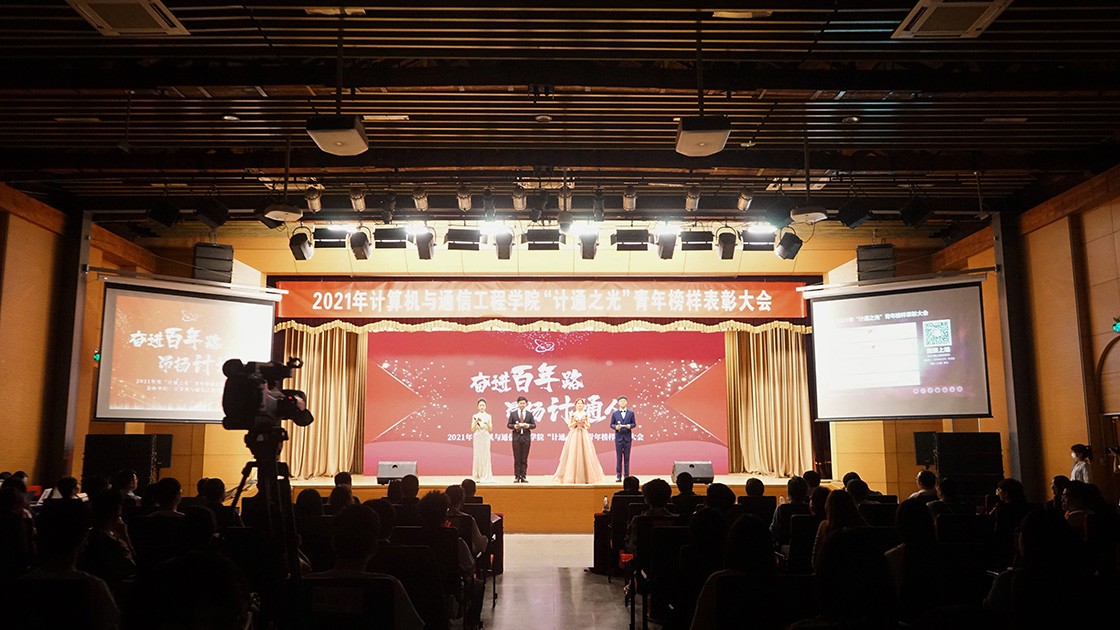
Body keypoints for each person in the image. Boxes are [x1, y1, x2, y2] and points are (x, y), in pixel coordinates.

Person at [552, 398, 605, 484]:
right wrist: (576, 423)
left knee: (586, 453)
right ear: (575, 405)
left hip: (583, 434)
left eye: (581, 403)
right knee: (573, 453)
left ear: (583, 405)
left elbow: (588, 426)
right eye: (578, 403)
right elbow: (569, 425)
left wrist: (583, 423)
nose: (580, 405)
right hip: (575, 434)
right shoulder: (573, 414)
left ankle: (586, 477)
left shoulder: (586, 414)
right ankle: (571, 477)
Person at [507, 395, 535, 483]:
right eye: (520, 403)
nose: (522, 405)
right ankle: (517, 476)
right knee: (517, 458)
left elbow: (534, 425)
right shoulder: (513, 414)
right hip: (516, 438)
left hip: (526, 438)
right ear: (517, 404)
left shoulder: (529, 414)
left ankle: (523, 476)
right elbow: (509, 425)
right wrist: (514, 426)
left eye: (523, 403)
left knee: (524, 458)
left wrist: (528, 426)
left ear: (526, 404)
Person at [610, 395, 637, 482]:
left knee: (627, 458)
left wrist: (630, 426)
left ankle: (626, 476)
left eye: (624, 401)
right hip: (618, 438)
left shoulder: (631, 413)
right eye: (621, 401)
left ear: (626, 402)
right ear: (618, 403)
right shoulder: (615, 413)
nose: (622, 402)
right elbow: (611, 424)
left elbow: (634, 423)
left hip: (627, 438)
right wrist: (616, 427)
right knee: (619, 458)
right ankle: (618, 476)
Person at [470, 397, 494, 483]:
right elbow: (472, 429)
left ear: (486, 406)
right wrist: (475, 422)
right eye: (480, 405)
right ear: (478, 406)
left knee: (485, 455)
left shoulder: (489, 416)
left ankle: (485, 475)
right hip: (477, 437)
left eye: (483, 405)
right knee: (478, 455)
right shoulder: (475, 416)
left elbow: (490, 429)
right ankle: (477, 475)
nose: (482, 407)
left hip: (485, 437)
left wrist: (487, 423)